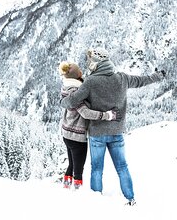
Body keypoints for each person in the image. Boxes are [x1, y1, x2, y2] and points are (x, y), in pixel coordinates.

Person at [60, 48, 166, 205]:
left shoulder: (90, 82)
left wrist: (63, 101)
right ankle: (130, 199)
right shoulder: (122, 78)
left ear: (96, 63)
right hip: (116, 131)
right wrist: (157, 76)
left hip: (97, 133)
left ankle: (96, 203)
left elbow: (72, 100)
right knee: (122, 167)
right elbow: (141, 81)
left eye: (90, 62)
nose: (89, 64)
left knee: (97, 169)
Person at [58, 61, 121, 190]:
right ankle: (77, 192)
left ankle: (66, 189)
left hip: (66, 134)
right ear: (77, 75)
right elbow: (85, 113)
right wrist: (107, 115)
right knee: (78, 170)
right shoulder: (75, 92)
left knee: (71, 164)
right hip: (76, 136)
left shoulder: (66, 87)